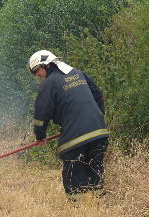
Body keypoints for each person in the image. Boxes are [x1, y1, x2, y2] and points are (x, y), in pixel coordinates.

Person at [28, 50, 109, 199]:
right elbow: (98, 94)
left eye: (36, 70)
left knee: (74, 178)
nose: (37, 75)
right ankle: (97, 208)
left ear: (46, 65)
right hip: (98, 133)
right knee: (95, 173)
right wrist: (96, 117)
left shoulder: (49, 83)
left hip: (75, 139)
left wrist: (40, 136)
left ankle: (79, 213)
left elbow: (41, 113)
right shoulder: (78, 73)